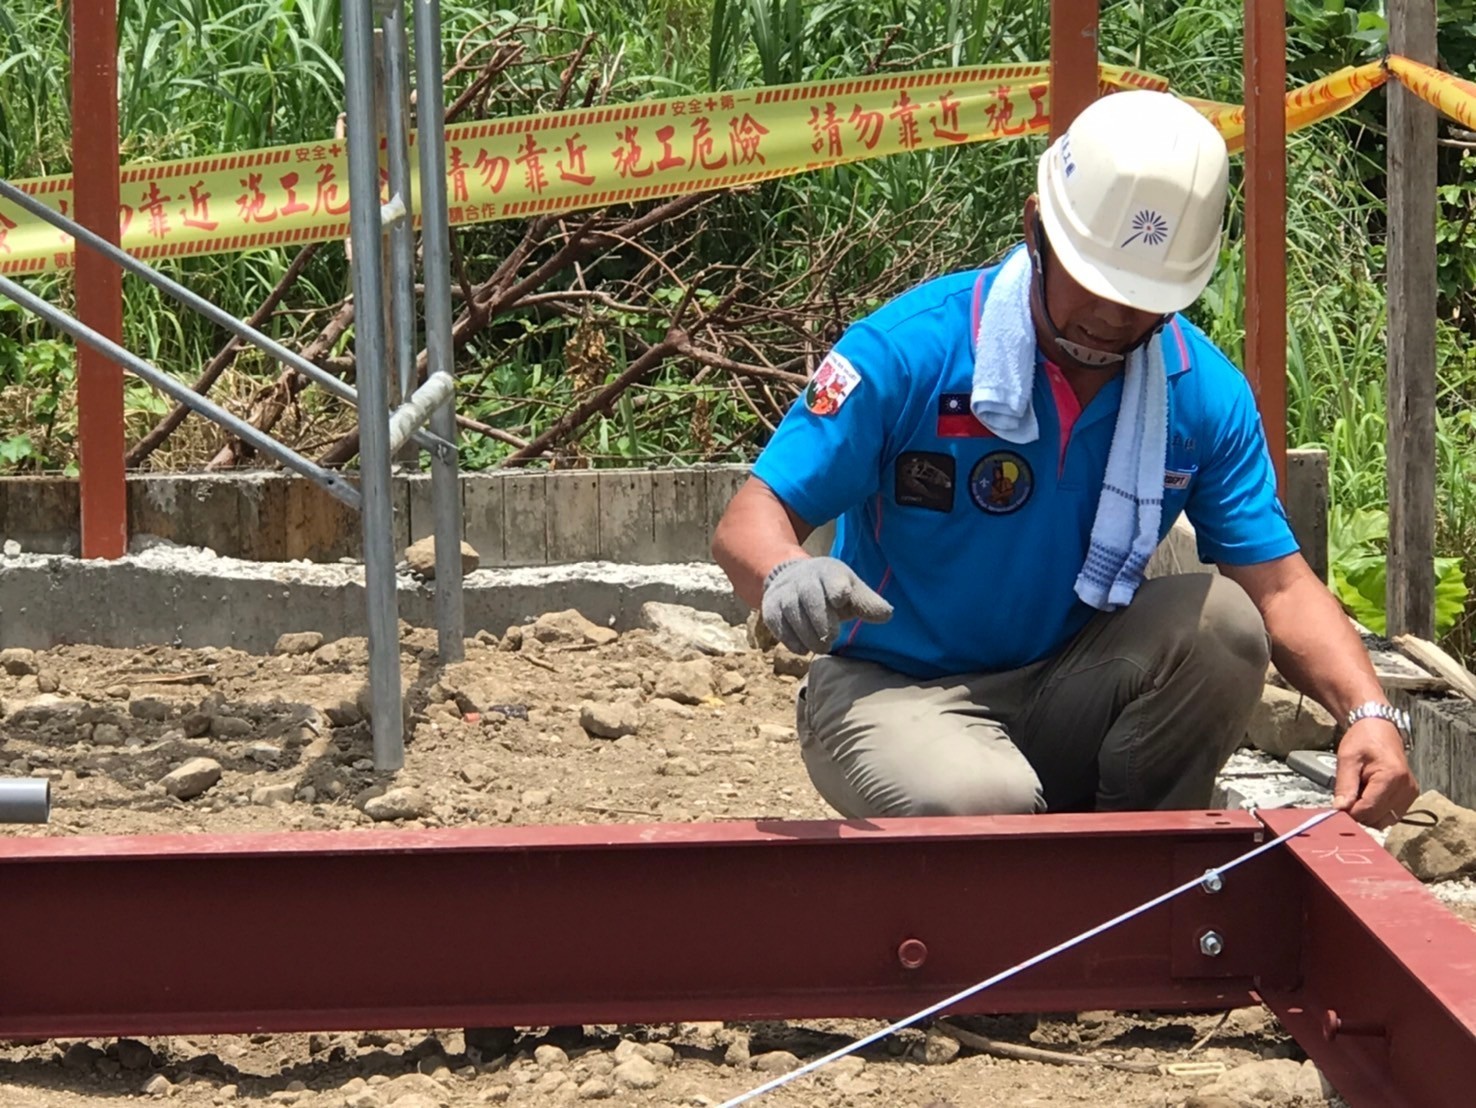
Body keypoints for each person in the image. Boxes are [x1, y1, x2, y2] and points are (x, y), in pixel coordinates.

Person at [712, 89, 1418, 830]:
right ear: (1035, 229)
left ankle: (1142, 865)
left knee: (1225, 623)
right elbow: (751, 517)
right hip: (892, 691)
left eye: (1145, 296)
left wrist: (1368, 713)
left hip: (1069, 685)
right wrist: (785, 571)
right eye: (1096, 281)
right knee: (982, 799)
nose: (1114, 316)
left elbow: (1280, 587)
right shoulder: (912, 350)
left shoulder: (1198, 393)